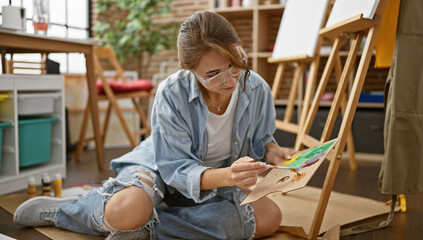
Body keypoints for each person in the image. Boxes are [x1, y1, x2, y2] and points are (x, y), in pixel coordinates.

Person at [14, 11, 294, 240]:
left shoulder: (256, 88)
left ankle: (143, 230)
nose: (230, 80)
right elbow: (175, 169)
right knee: (130, 207)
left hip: (218, 179)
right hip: (161, 166)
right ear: (191, 70)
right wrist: (229, 177)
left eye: (235, 65)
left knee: (271, 216)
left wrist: (272, 152)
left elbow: (262, 138)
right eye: (214, 74)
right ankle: (68, 212)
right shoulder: (172, 92)